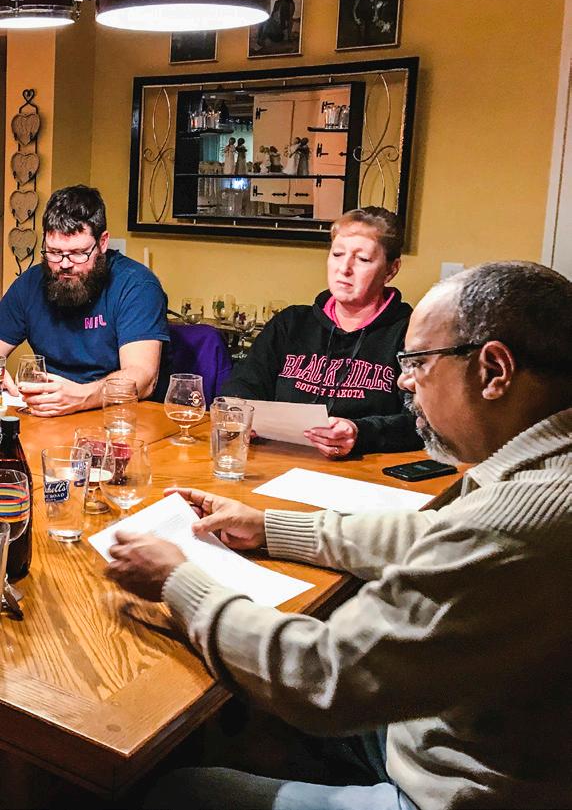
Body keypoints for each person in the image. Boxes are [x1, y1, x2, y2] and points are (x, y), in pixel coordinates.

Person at [107, 260, 572, 809]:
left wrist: (178, 580)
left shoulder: (514, 525)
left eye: (418, 362)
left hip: (453, 790)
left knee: (175, 792)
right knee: (253, 716)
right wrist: (268, 527)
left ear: (494, 371)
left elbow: (322, 675)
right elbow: (429, 532)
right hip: (459, 720)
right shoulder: (543, 470)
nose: (403, 381)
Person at [222, 208, 420, 457]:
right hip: (280, 459)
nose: (344, 268)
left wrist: (360, 432)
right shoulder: (290, 323)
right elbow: (242, 385)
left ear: (391, 270)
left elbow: (423, 423)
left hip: (365, 468)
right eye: (337, 254)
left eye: (362, 259)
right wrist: (241, 414)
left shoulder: (411, 333)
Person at [0, 185, 170, 416]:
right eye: (54, 252)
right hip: (50, 415)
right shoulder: (29, 284)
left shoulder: (137, 286)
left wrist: (81, 396)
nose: (64, 264)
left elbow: (143, 378)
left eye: (78, 253)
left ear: (103, 242)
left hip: (120, 416)